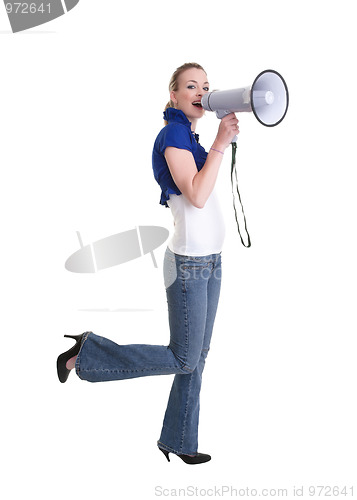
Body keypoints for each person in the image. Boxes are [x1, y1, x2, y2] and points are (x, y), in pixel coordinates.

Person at [57, 62, 239, 465]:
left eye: (206, 86)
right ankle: (88, 354)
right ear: (173, 94)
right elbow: (196, 194)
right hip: (190, 264)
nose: (200, 91)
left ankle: (178, 439)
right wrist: (220, 144)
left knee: (197, 356)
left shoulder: (190, 135)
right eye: (191, 85)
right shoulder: (173, 133)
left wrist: (216, 142)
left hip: (211, 260)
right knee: (185, 357)